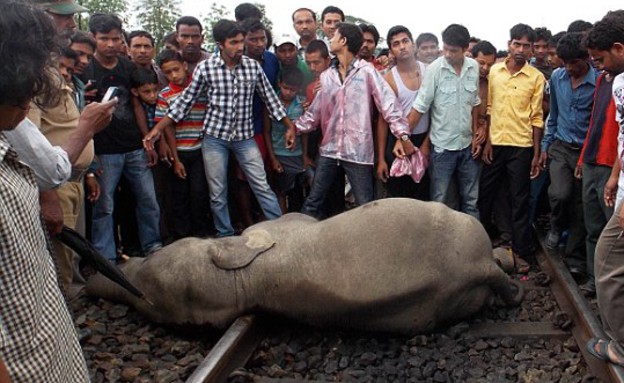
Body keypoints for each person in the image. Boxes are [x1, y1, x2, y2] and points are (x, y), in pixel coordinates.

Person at [0, 1, 114, 381]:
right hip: (25, 364)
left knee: (52, 275)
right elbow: (45, 167)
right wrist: (86, 128)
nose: (35, 90)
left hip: (48, 351)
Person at [145, 19, 293, 238]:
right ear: (220, 44)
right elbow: (184, 102)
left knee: (261, 184)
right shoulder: (206, 68)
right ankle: (225, 235)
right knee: (217, 192)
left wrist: (289, 126)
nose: (240, 47)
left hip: (244, 137)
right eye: (234, 42)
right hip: (214, 139)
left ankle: (279, 231)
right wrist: (157, 129)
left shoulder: (252, 66)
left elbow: (270, 99)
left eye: (241, 42)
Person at [285, 22, 413, 218]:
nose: (330, 39)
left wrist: (403, 135)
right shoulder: (327, 77)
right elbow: (315, 113)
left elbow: (389, 105)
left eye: (334, 36)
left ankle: (369, 246)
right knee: (313, 201)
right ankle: (302, 239)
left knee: (366, 206)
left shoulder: (367, 72)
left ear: (343, 41)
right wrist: (295, 128)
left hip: (358, 151)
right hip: (330, 150)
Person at [81, 13, 162, 262]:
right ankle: (105, 259)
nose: (110, 44)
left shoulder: (128, 67)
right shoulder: (85, 69)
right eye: (104, 38)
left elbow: (136, 104)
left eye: (115, 38)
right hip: (103, 149)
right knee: (104, 207)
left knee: (148, 200)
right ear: (94, 38)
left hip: (133, 146)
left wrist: (145, 139)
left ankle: (154, 247)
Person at [479, 23, 545, 272]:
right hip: (495, 144)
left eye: (526, 46)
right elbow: (489, 109)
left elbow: (537, 117)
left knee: (519, 199)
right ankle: (480, 245)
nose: (520, 49)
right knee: (485, 194)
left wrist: (536, 153)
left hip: (521, 146)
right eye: (516, 44)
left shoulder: (536, 77)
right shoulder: (495, 71)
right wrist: (487, 141)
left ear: (530, 50)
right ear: (509, 45)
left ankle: (521, 251)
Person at [402, 24, 482, 218]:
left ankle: (472, 242)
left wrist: (478, 130)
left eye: (453, 50)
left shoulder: (473, 68)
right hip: (442, 149)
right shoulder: (435, 69)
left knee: (471, 200)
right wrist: (402, 136)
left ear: (465, 49)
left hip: (468, 147)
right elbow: (420, 106)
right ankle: (438, 245)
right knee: (439, 201)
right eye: (444, 48)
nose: (446, 54)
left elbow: (475, 104)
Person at [584, 12, 624, 367]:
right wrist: (614, 175)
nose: (599, 67)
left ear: (618, 48)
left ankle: (621, 347)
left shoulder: (622, 83)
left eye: (601, 59)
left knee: (608, 262)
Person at [540, 32, 598, 278]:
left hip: (586, 150)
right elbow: (553, 115)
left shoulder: (599, 83)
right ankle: (555, 226)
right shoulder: (557, 78)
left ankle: (575, 257)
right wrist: (545, 146)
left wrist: (586, 156)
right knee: (560, 193)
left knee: (581, 207)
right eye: (565, 63)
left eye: (574, 63)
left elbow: (597, 124)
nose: (569, 68)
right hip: (561, 148)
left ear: (586, 59)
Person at [154, 49, 211, 239]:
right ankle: (183, 236)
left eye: (176, 69)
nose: (174, 75)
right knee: (179, 196)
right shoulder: (165, 95)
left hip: (201, 149)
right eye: (168, 72)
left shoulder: (200, 90)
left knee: (200, 193)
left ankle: (202, 234)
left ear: (185, 66)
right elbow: (165, 126)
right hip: (180, 151)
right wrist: (175, 159)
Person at [376, 25, 430, 201]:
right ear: (391, 50)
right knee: (400, 199)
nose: (402, 46)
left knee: (425, 196)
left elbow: (437, 111)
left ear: (413, 44)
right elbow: (383, 121)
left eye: (405, 41)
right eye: (396, 44)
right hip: (398, 144)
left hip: (426, 140)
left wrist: (427, 144)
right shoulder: (388, 79)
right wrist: (382, 158)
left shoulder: (429, 71)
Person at [264, 66, 309, 213]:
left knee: (297, 191)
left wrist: (305, 155)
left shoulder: (302, 104)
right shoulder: (271, 103)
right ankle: (282, 222)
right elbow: (266, 131)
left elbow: (305, 132)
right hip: (279, 154)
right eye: (285, 88)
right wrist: (273, 159)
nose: (288, 92)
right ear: (279, 83)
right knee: (280, 191)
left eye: (293, 90)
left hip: (296, 155)